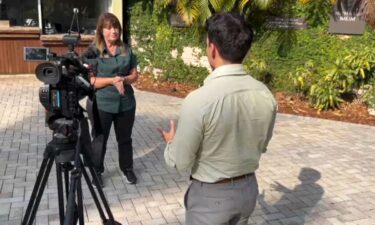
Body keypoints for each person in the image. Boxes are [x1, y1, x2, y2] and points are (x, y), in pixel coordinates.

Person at [159, 12, 277, 225]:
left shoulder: (199, 100)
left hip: (210, 199)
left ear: (212, 48)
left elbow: (180, 161)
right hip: (248, 190)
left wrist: (171, 143)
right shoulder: (265, 95)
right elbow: (262, 145)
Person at [82, 12, 138, 187]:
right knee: (99, 139)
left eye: (116, 27)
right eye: (109, 27)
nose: (114, 31)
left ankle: (127, 168)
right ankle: (97, 170)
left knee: (125, 138)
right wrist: (113, 81)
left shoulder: (126, 49)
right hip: (102, 104)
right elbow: (91, 81)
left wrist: (124, 80)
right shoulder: (92, 51)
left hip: (125, 103)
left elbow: (134, 74)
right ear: (101, 30)